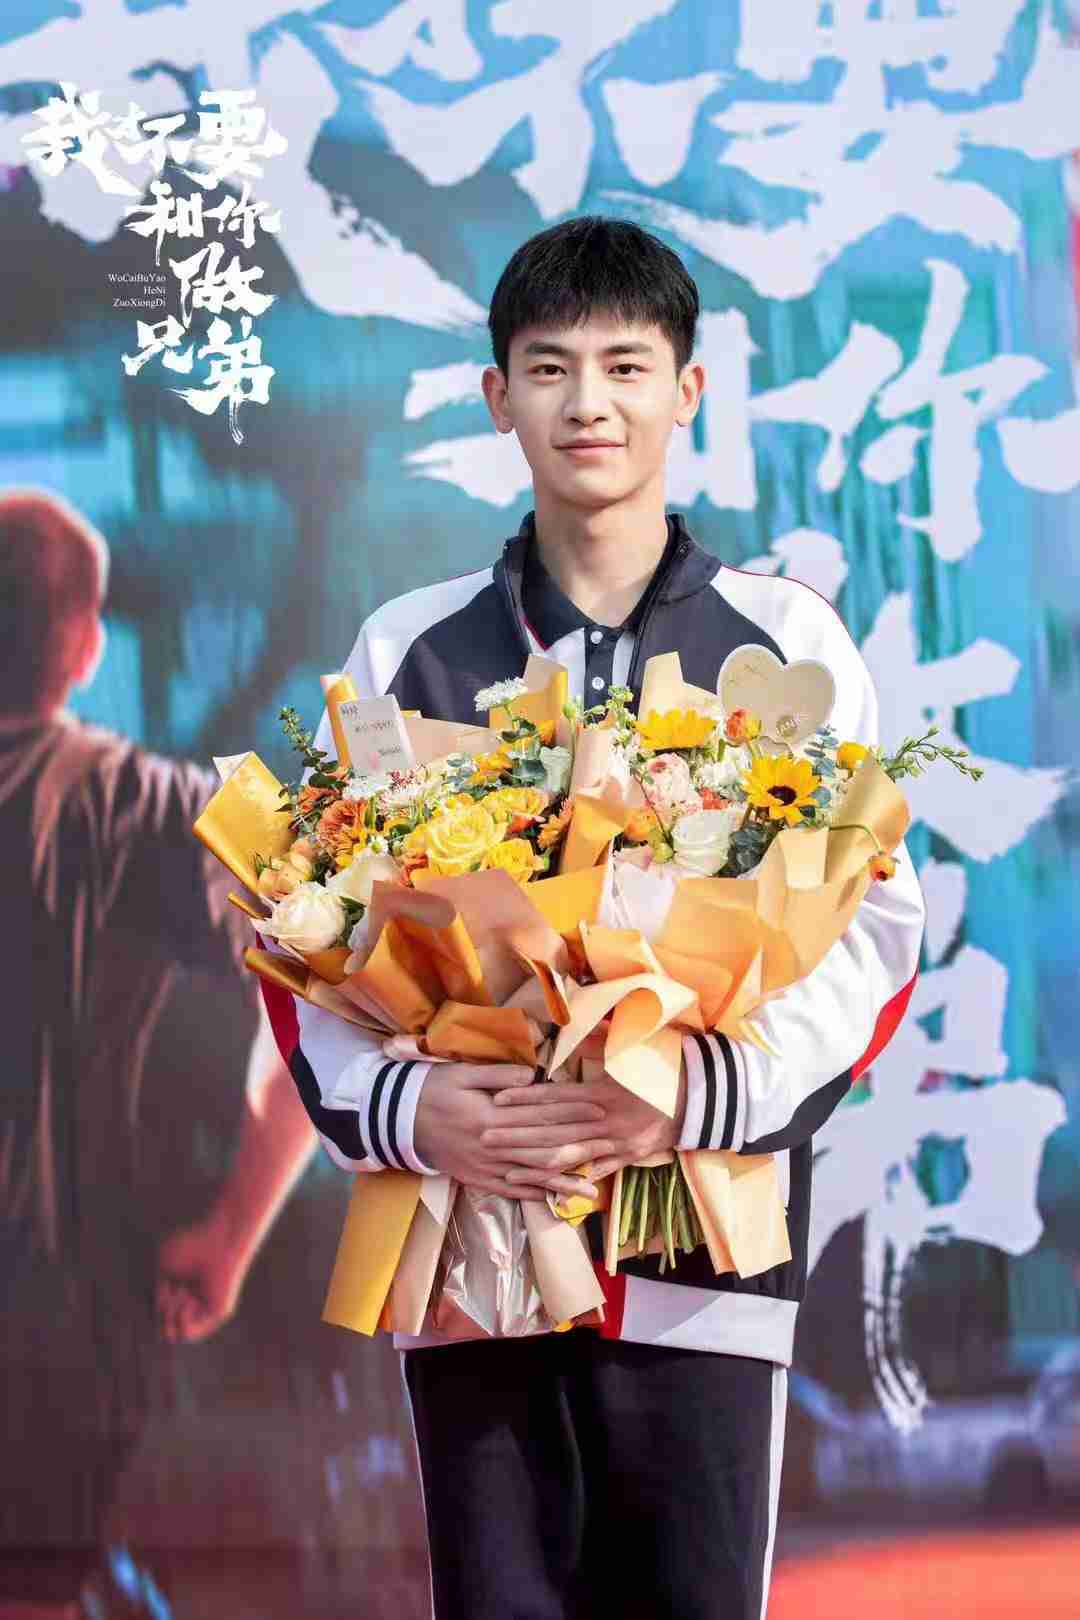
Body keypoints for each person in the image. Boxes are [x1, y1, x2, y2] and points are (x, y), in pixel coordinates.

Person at [259, 217, 927, 1619]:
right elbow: (310, 930)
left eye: (627, 366)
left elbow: (871, 935)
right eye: (549, 367)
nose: (590, 403)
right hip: (474, 1250)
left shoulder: (787, 644)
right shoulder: (406, 650)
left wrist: (691, 1088)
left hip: (703, 1254)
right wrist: (412, 1111)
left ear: (689, 392)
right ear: (497, 398)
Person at [0, 489, 316, 1620]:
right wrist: (232, 1232)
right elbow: (338, 982)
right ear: (86, 648)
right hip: (54, 1330)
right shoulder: (155, 806)